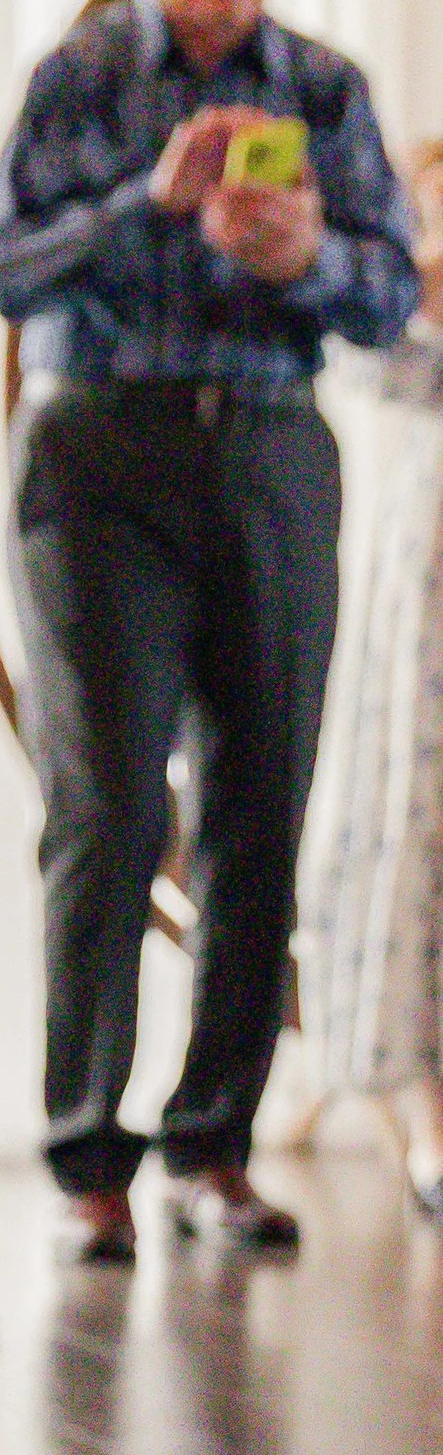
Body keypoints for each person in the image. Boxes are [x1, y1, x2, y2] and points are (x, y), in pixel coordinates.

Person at [0, 0, 421, 1264]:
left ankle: (213, 1149)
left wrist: (309, 259)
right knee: (107, 807)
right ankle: (86, 1159)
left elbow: (391, 297)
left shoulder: (327, 90)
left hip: (278, 451)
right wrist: (142, 205)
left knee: (263, 804)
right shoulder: (82, 77)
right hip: (103, 453)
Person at [305, 141, 443, 1211]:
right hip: (427, 571)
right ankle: (421, 1109)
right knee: (413, 820)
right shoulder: (395, 250)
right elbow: (361, 360)